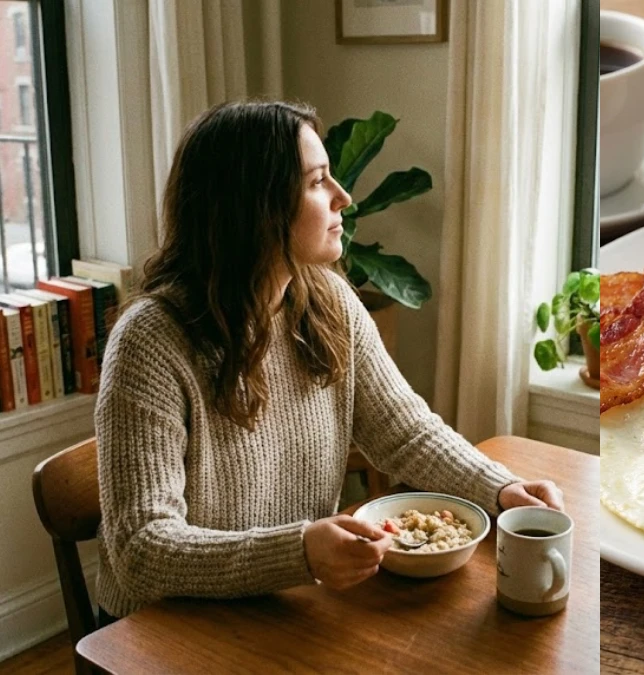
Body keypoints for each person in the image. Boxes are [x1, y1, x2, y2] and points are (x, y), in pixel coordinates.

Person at [93, 100, 563, 624]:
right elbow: (141, 550)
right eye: (318, 182)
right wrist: (298, 553)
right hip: (163, 631)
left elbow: (405, 432)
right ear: (256, 207)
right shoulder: (150, 342)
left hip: (285, 605)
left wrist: (499, 489)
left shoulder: (328, 302)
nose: (344, 197)